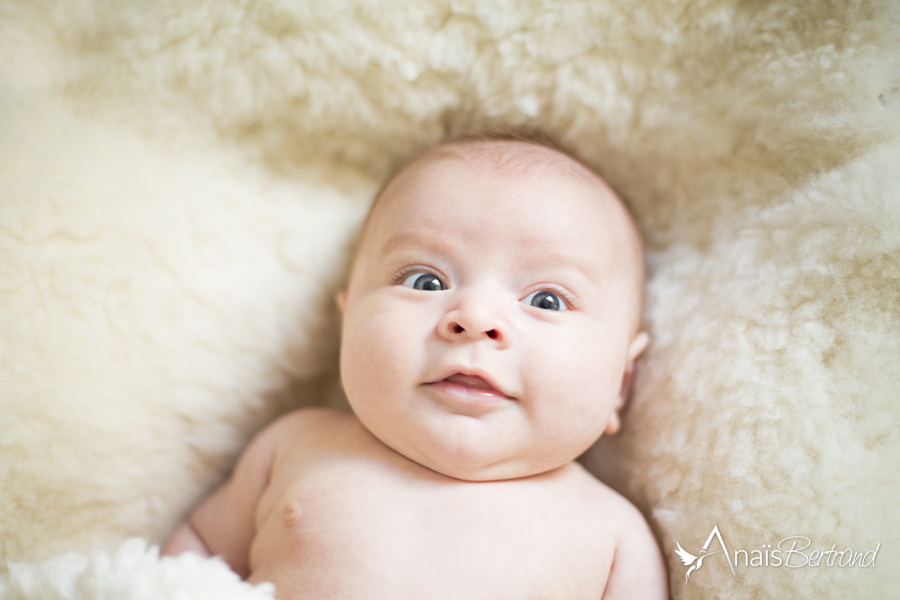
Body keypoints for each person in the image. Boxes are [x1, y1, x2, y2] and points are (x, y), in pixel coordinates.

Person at [163, 129, 668, 599]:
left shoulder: (613, 539)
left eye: (547, 300)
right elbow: (195, 555)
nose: (474, 317)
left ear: (620, 384)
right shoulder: (293, 448)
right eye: (426, 281)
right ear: (348, 325)